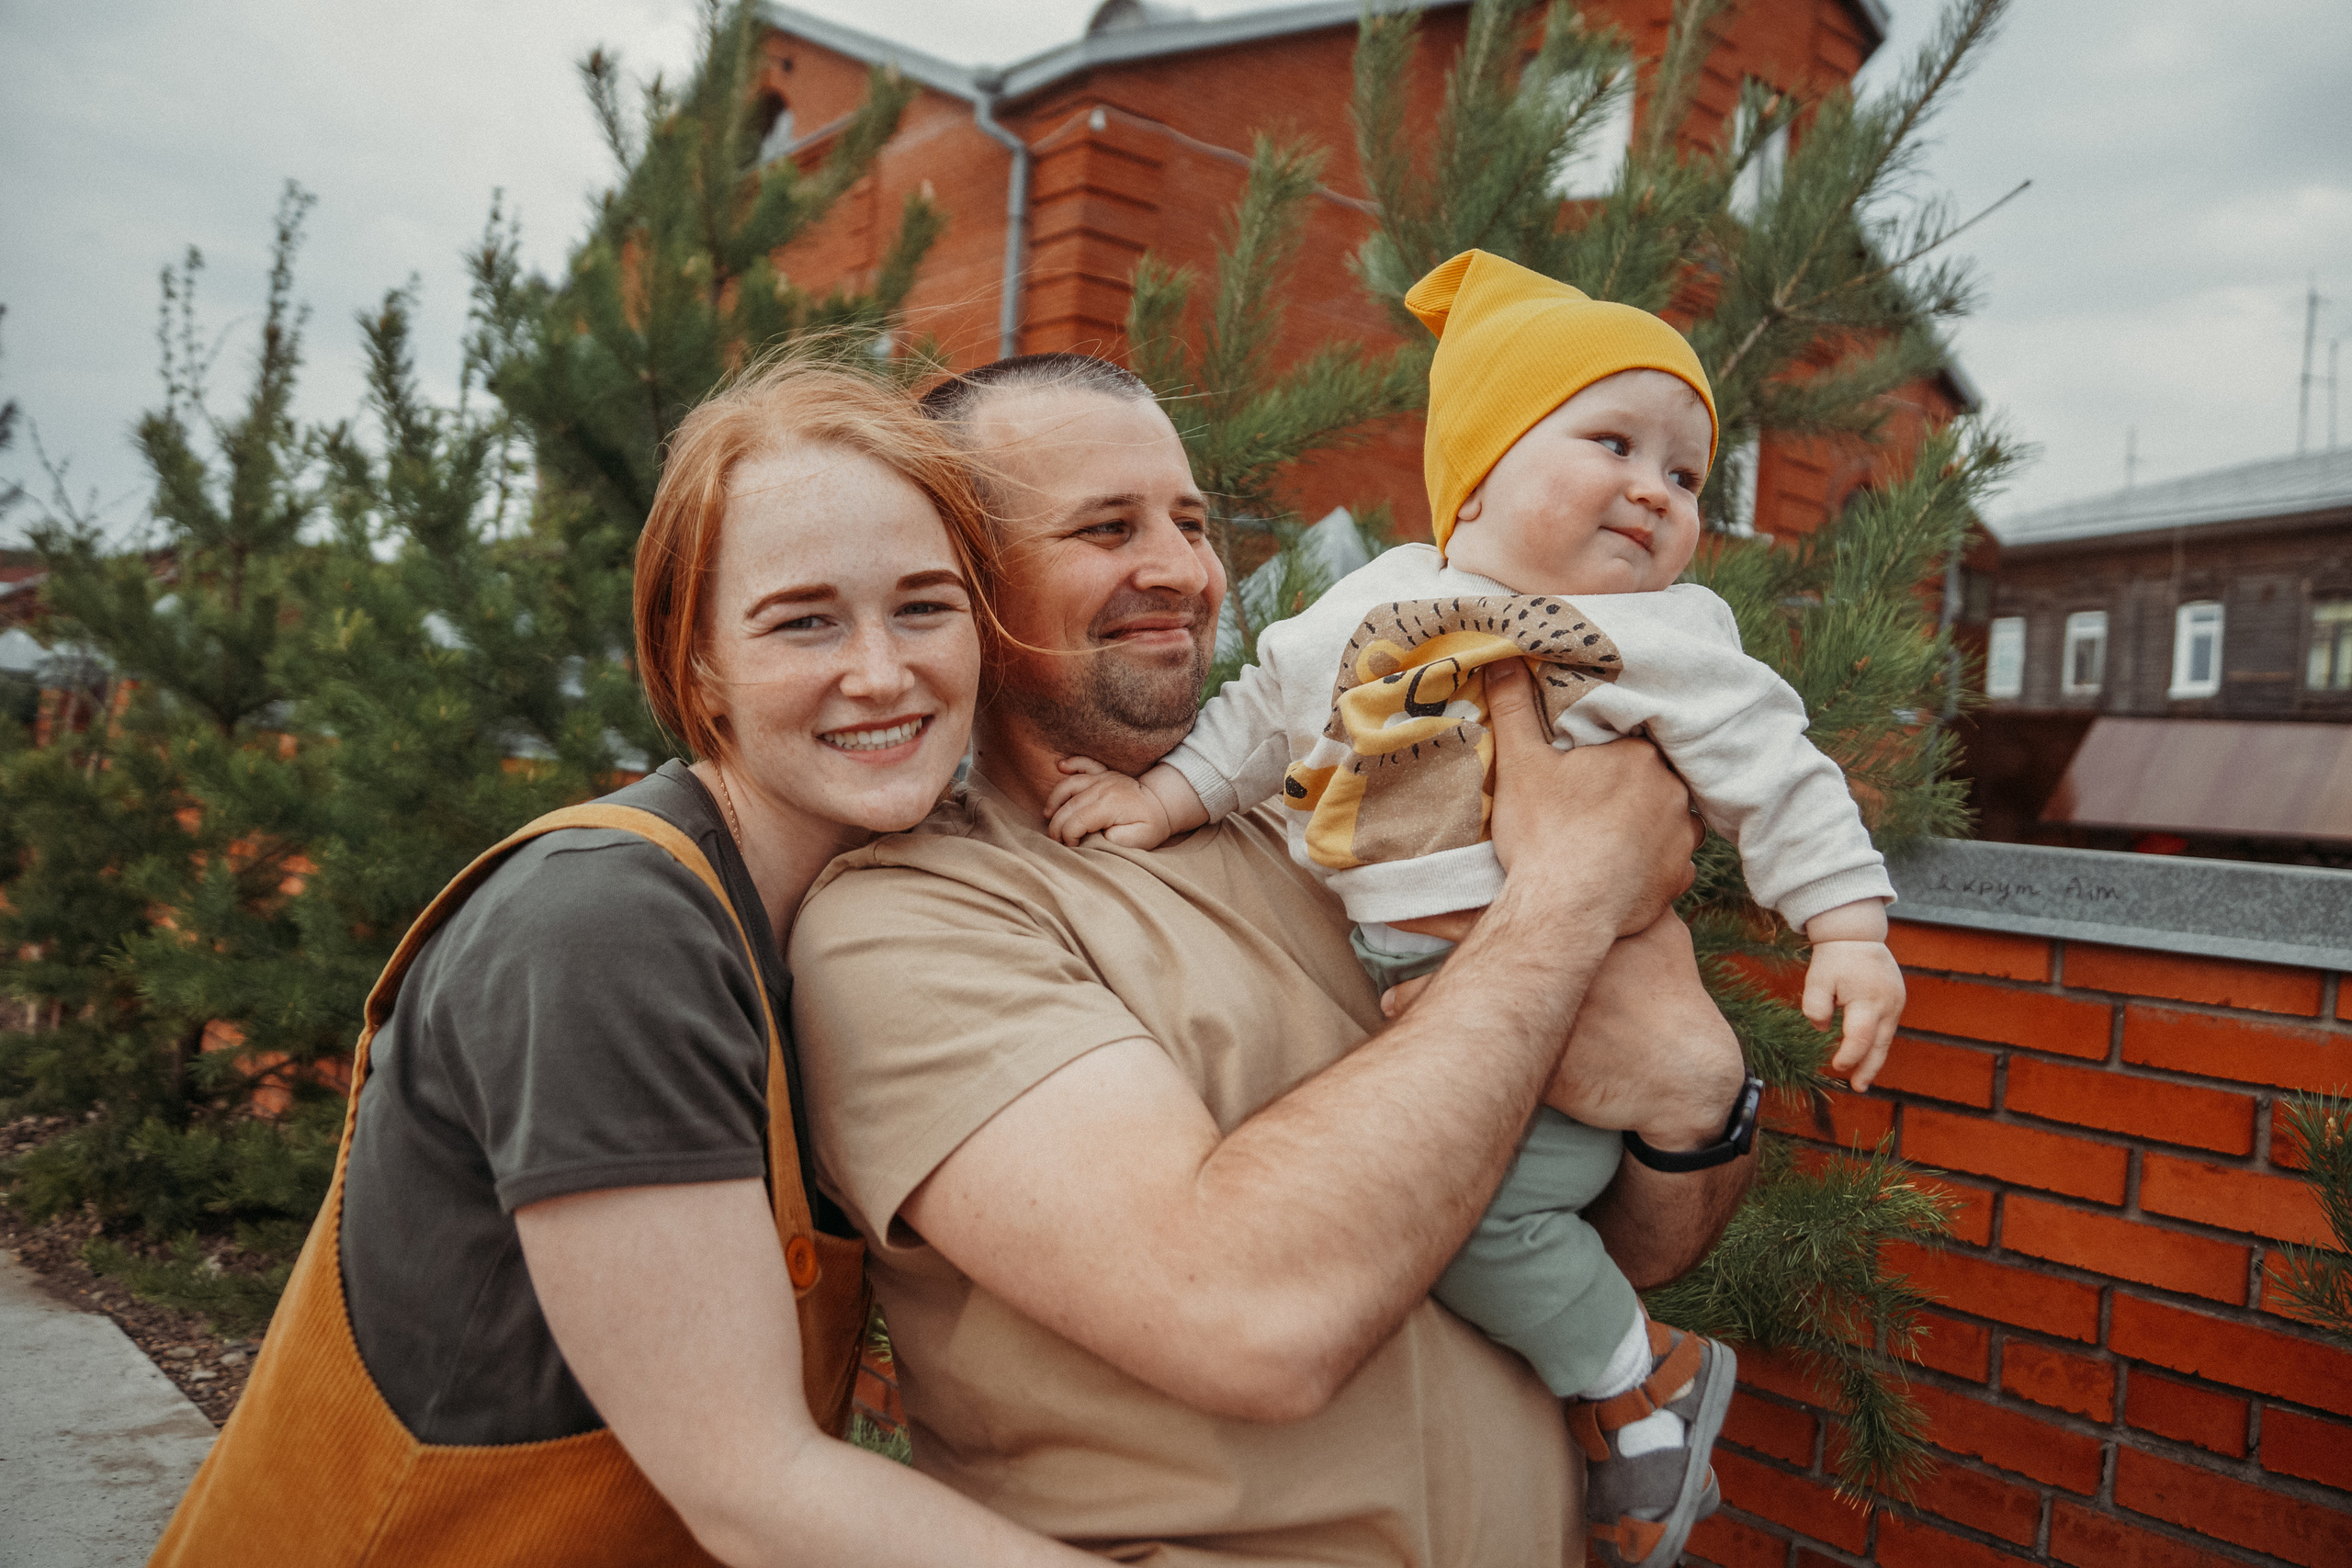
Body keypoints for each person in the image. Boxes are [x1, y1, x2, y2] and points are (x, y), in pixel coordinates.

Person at [787, 351, 1758, 1566]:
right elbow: (1253, 1325)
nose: (1181, 571)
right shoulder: (913, 921)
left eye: (1191, 523)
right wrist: (1563, 906)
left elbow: (1627, 1245)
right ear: (961, 583)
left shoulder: (1343, 824)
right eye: (1105, 526)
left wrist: (1697, 1113)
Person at [150, 362, 1098, 1568]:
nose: (880, 670)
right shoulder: (605, 929)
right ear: (695, 661)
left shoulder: (861, 915)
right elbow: (753, 1485)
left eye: (925, 605)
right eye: (804, 618)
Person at [1040, 253, 1909, 1563]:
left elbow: (1780, 775)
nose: (1652, 489)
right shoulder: (1360, 608)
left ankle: (1633, 1379)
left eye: (1684, 475)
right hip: (1439, 999)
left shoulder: (1667, 636)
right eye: (1611, 442)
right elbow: (1260, 723)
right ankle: (1637, 1379)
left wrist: (1846, 926)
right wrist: (1163, 805)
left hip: (1563, 1042)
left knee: (1480, 1226)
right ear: (1481, 473)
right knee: (1444, 1219)